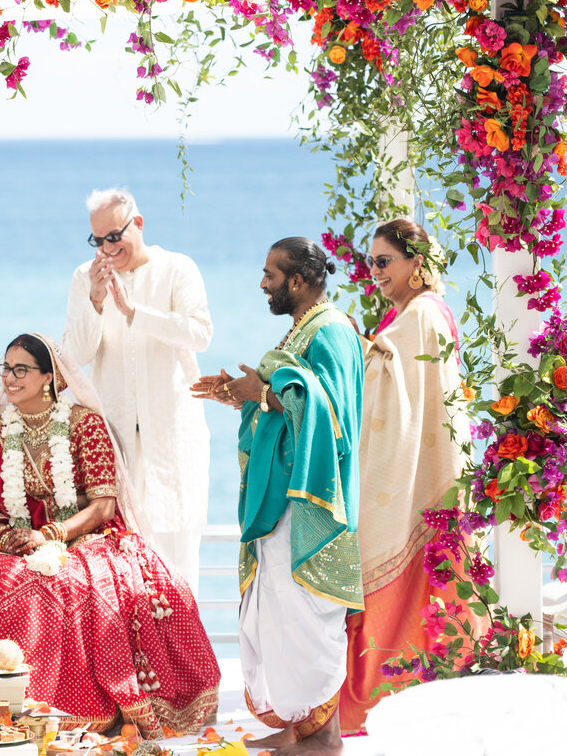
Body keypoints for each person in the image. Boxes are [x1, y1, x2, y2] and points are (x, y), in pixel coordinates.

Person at [0, 334, 220, 736]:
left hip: (89, 536)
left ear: (49, 378)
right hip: (17, 541)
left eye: (21, 369)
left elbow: (103, 507)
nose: (9, 378)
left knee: (72, 582)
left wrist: (50, 534)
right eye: (5, 368)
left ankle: (70, 706)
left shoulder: (84, 424)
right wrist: (7, 536)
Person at [191, 238, 363, 756]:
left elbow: (332, 414)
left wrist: (261, 393)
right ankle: (299, 726)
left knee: (306, 612)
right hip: (279, 496)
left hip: (309, 498)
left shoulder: (331, 329)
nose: (262, 282)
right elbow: (286, 398)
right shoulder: (302, 329)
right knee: (279, 611)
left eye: (271, 274)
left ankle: (327, 734)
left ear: (298, 280)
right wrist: (239, 393)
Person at [339, 220, 472, 733]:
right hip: (434, 468)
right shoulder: (426, 311)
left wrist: (358, 345)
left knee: (401, 585)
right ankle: (426, 695)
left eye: (382, 261)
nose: (373, 272)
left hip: (414, 475)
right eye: (370, 261)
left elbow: (388, 381)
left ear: (416, 263)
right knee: (432, 595)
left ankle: (377, 696)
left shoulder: (418, 314)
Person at [63, 188, 212, 593]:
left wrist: (134, 313)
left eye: (115, 236)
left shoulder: (178, 269)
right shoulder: (84, 277)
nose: (108, 249)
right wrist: (96, 301)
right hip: (118, 440)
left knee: (179, 558)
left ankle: (187, 655)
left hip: (172, 436)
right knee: (124, 562)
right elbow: (74, 356)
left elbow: (200, 334)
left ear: (138, 225)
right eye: (99, 240)